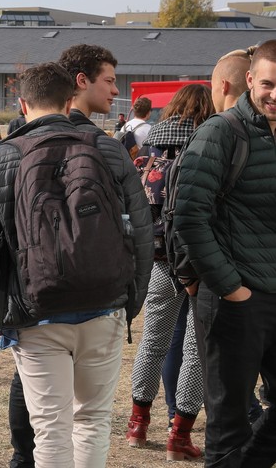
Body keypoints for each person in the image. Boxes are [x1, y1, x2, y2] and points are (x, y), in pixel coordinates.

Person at [0, 62, 152, 468]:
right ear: (70, 101)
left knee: (50, 425)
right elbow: (141, 232)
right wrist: (128, 301)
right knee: (93, 418)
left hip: (36, 313)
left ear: (21, 103)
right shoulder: (107, 149)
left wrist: (1, 313)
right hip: (104, 304)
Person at [174, 39, 276, 466]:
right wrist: (230, 288)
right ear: (250, 80)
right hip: (236, 298)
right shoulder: (221, 132)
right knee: (228, 424)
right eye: (269, 83)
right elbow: (188, 216)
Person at [124, 84, 213, 460]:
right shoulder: (207, 143)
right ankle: (180, 434)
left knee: (153, 340)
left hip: (160, 256)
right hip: (200, 257)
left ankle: (137, 423)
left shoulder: (151, 146)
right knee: (196, 345)